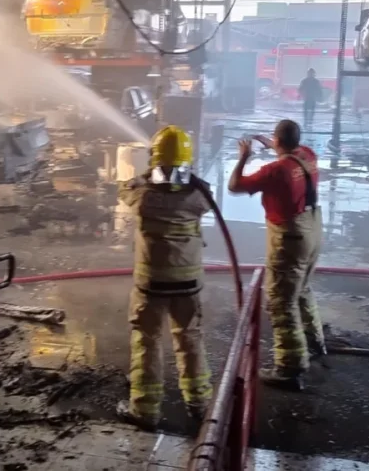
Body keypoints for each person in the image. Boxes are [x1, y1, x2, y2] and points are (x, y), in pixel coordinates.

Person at [115, 125, 214, 430]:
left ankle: (145, 410)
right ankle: (201, 405)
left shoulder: (142, 196)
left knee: (147, 342)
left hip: (151, 285)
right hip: (188, 285)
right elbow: (206, 195)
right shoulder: (198, 196)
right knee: (190, 340)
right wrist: (187, 177)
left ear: (154, 159)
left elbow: (125, 189)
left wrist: (150, 174)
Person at [228, 119, 325, 391]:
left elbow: (235, 186)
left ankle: (290, 367)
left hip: (290, 236)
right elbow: (288, 154)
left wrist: (243, 158)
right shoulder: (307, 155)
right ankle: (313, 341)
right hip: (313, 229)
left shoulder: (275, 171)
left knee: (282, 300)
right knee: (302, 288)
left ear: (278, 140)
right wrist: (271, 144)